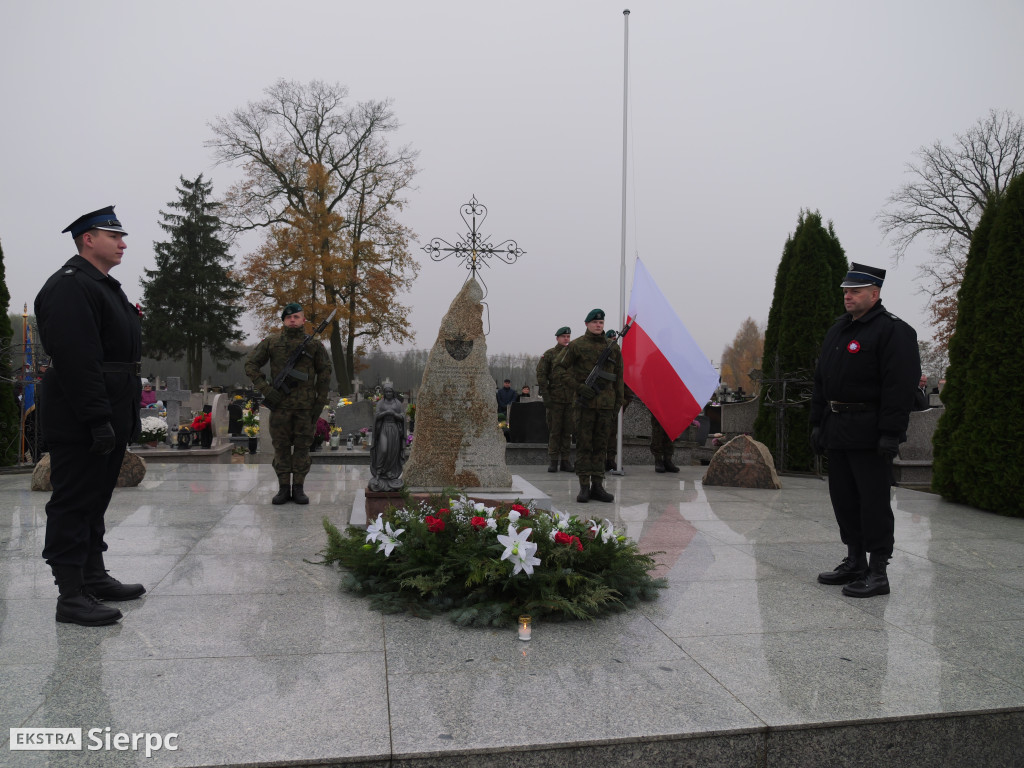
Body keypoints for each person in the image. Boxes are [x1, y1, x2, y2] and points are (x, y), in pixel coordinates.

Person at [34, 205, 145, 626]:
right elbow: (78, 360)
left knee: (95, 501)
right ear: (88, 239)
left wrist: (117, 418)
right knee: (74, 502)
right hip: (83, 416)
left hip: (109, 410)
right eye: (114, 236)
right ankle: (71, 594)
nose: (123, 243)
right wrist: (97, 419)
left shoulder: (101, 286)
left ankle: (93, 576)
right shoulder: (70, 287)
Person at [810, 263, 920, 598]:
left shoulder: (893, 331)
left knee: (873, 502)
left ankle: (878, 571)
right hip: (838, 428)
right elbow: (821, 382)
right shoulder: (838, 330)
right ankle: (854, 561)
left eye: (855, 291)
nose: (848, 296)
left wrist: (890, 432)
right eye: (846, 290)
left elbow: (898, 387)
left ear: (875, 293)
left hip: (870, 432)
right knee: (844, 500)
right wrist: (817, 423)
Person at [245, 302, 332, 505]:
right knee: (281, 448)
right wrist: (266, 389)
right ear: (284, 320)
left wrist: (319, 402)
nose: (292, 320)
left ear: (303, 320)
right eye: (288, 317)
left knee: (302, 448)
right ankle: (284, 488)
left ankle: (299, 488)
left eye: (296, 317)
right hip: (280, 407)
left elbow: (325, 372)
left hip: (305, 408)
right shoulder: (272, 342)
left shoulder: (314, 345)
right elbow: (250, 364)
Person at [554, 309, 623, 503]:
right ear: (587, 324)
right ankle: (584, 486)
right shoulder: (576, 345)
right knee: (585, 445)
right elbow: (559, 369)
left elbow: (619, 378)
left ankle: (598, 486)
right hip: (585, 406)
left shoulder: (613, 347)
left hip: (606, 406)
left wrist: (617, 404)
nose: (598, 325)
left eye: (601, 322)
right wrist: (579, 388)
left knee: (601, 446)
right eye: (594, 322)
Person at [536, 326, 574, 472]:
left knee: (567, 431)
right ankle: (553, 461)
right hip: (555, 400)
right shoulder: (550, 354)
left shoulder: (572, 355)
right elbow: (541, 375)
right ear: (557, 338)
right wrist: (546, 396)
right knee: (555, 431)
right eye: (564, 336)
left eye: (568, 336)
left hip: (570, 399)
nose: (566, 339)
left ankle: (565, 460)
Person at [368, 387, 407, 492]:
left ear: (393, 393)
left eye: (390, 392)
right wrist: (385, 413)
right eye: (386, 392)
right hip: (384, 429)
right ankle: (379, 473)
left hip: (394, 429)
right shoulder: (381, 403)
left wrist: (394, 414)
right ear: (384, 393)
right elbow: (376, 416)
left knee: (392, 451)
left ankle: (391, 474)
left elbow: (403, 416)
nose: (388, 393)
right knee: (383, 450)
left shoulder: (397, 403)